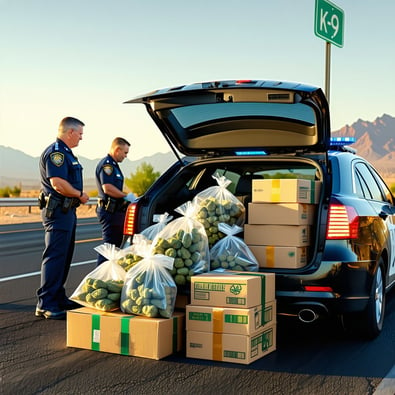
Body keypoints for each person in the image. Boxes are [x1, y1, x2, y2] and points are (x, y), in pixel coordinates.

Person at [35, 117, 89, 320]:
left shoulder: (67, 153)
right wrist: (79, 194)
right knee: (55, 256)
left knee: (64, 257)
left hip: (66, 212)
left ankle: (57, 297)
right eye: (80, 134)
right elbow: (57, 183)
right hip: (57, 213)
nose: (81, 138)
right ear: (70, 132)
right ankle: (46, 303)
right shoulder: (56, 153)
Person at [95, 137, 135, 265]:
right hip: (109, 211)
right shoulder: (108, 165)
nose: (126, 156)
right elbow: (107, 188)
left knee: (115, 246)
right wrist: (125, 196)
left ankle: (108, 277)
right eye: (125, 152)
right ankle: (99, 276)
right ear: (117, 149)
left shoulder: (114, 165)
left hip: (115, 211)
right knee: (110, 248)